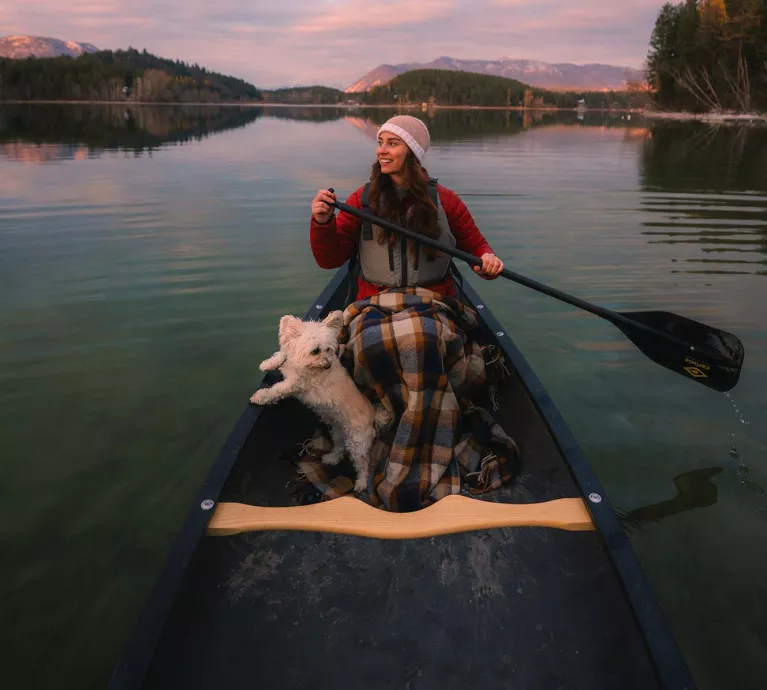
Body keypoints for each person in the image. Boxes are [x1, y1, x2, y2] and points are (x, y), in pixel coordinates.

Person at [310, 115, 503, 300]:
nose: (381, 151)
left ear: (412, 151)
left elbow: (477, 248)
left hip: (434, 302)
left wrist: (487, 262)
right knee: (375, 336)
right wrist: (323, 222)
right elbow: (329, 260)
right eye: (380, 142)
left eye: (392, 143)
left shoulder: (446, 200)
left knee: (423, 335)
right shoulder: (362, 199)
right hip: (373, 303)